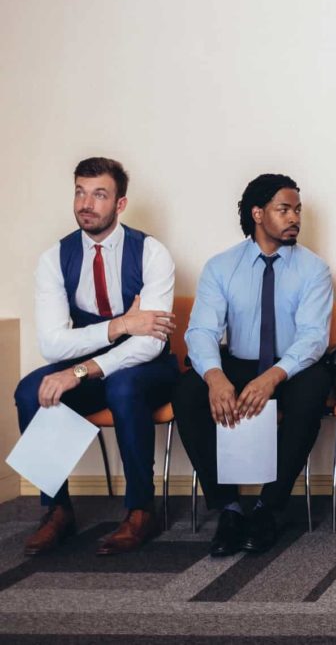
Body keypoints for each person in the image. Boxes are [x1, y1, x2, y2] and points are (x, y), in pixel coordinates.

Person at [14, 157, 179, 556]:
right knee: (29, 390)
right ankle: (57, 509)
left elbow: (150, 342)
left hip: (147, 368)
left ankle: (140, 508)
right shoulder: (55, 258)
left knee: (123, 386)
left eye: (99, 195)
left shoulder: (152, 253)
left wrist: (84, 367)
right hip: (89, 363)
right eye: (80, 192)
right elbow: (52, 345)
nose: (86, 204)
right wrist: (121, 324)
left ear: (120, 204)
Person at [174, 173, 333, 557]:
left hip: (288, 366)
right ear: (258, 214)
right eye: (284, 209)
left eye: (297, 209)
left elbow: (313, 338)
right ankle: (227, 508)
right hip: (237, 362)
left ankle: (267, 507)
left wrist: (273, 377)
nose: (294, 217)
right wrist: (214, 377)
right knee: (187, 392)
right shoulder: (220, 267)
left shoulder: (314, 270)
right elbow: (200, 331)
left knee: (314, 389)